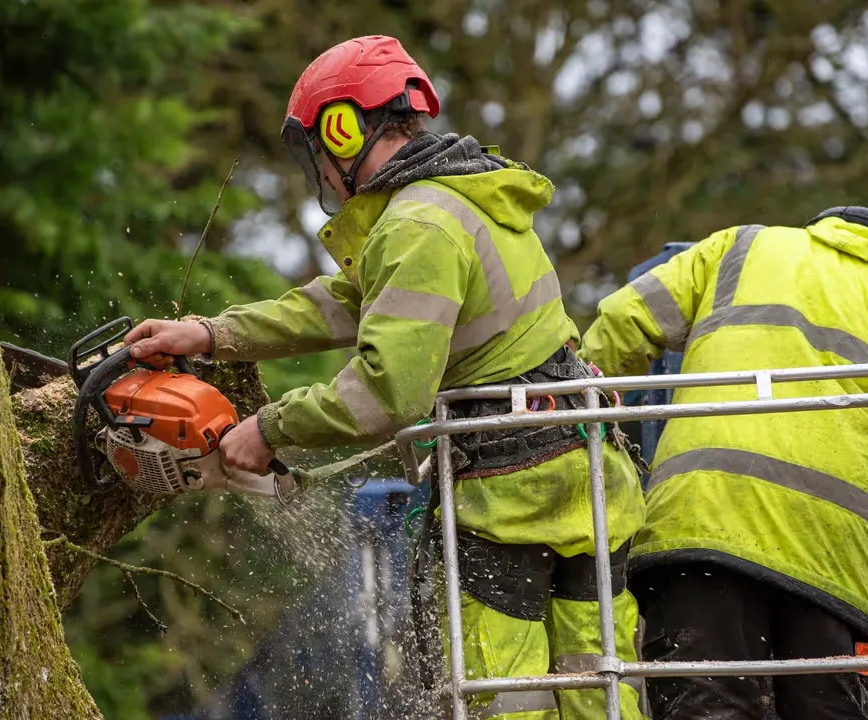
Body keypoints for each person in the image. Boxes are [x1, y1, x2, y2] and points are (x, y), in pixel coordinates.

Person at [124, 35, 647, 720]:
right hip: (585, 471)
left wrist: (269, 429)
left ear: (341, 129)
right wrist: (214, 334)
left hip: (512, 494)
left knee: (506, 698)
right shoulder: (465, 199)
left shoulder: (418, 223)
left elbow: (386, 391)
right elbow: (350, 300)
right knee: (598, 688)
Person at [578, 207, 868, 720]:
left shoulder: (742, 243)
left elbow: (617, 331)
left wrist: (574, 422)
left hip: (700, 527)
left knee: (706, 709)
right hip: (835, 558)